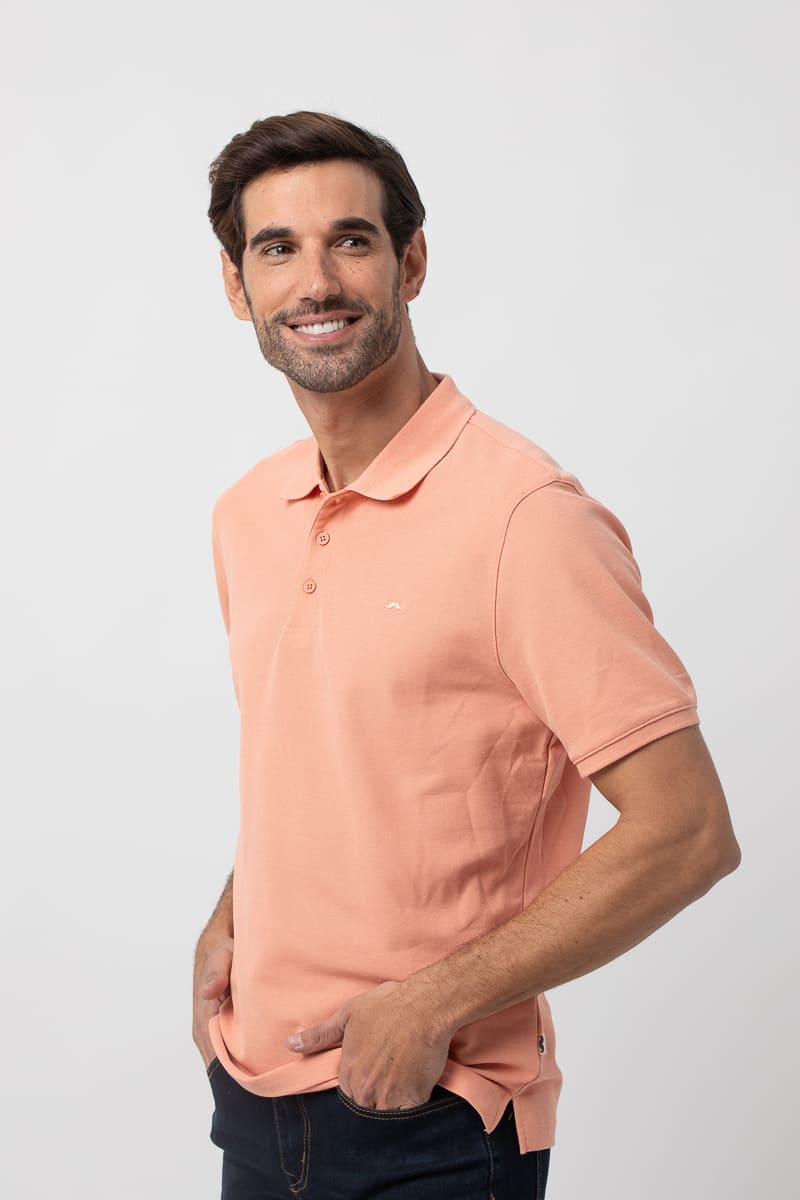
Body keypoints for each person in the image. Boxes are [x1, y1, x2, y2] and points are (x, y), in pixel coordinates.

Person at [192, 110, 740, 1200]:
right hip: (250, 1101)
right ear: (236, 286)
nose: (316, 281)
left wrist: (431, 1003)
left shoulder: (525, 519)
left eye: (351, 240)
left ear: (411, 263)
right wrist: (232, 909)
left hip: (431, 1117)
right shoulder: (248, 512)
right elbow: (334, 756)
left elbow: (687, 831)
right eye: (277, 248)